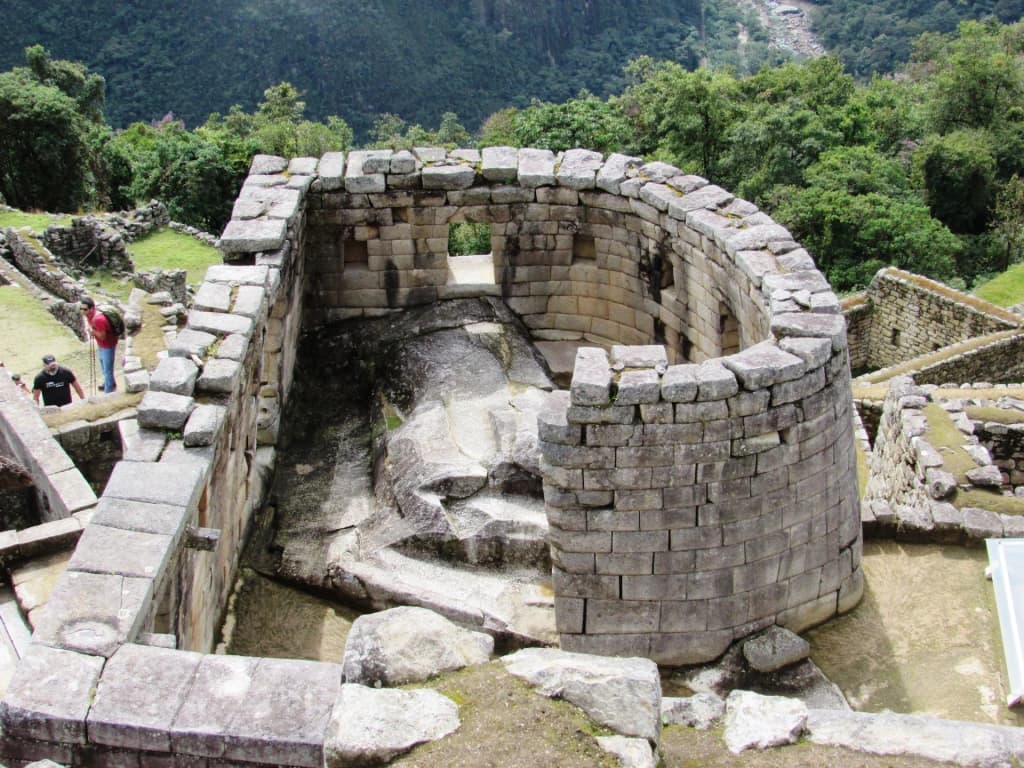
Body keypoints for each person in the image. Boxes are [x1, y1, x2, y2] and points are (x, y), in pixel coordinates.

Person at [80, 296, 117, 393]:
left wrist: (92, 332)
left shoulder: (99, 319)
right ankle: (109, 383)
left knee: (107, 369)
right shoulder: (90, 316)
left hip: (108, 345)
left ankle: (108, 391)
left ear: (91, 308)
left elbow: (102, 337)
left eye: (85, 309)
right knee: (103, 365)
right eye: (81, 309)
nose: (82, 311)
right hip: (102, 345)